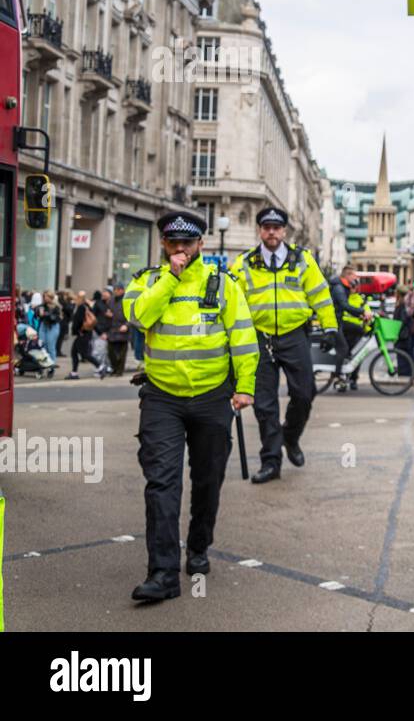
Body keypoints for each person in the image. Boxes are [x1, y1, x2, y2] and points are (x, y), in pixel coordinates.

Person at [125, 210, 258, 602]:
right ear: (163, 244)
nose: (180, 249)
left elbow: (244, 339)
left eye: (187, 242)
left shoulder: (224, 284)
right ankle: (163, 574)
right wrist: (171, 277)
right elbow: (137, 316)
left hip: (213, 397)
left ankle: (198, 546)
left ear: (201, 243)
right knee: (162, 482)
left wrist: (246, 387)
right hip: (162, 397)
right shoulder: (147, 281)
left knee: (207, 479)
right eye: (172, 242)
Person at [228, 206, 340, 484]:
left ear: (284, 231)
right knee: (265, 405)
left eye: (276, 227)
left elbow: (320, 294)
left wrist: (330, 327)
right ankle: (271, 461)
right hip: (259, 338)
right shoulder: (243, 263)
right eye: (266, 227)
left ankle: (290, 436)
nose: (271, 232)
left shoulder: (302, 260)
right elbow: (231, 303)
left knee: (304, 393)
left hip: (294, 335)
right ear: (260, 231)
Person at [330, 265, 373, 358]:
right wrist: (362, 312)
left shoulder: (342, 287)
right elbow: (344, 305)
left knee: (358, 331)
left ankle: (346, 362)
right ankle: (337, 372)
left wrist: (360, 315)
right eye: (354, 275)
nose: (355, 278)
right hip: (334, 322)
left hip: (339, 321)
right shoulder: (339, 288)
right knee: (343, 349)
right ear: (348, 275)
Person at [65, 291, 100, 380]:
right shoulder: (86, 306)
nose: (76, 299)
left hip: (82, 333)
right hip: (85, 333)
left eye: (77, 298)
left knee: (84, 354)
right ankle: (74, 372)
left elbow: (78, 321)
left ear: (80, 299)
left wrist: (75, 330)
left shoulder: (81, 307)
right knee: (74, 352)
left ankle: (100, 366)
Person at [106, 283, 131, 376]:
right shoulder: (111, 300)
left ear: (122, 290)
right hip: (112, 329)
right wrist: (108, 314)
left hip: (123, 329)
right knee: (110, 351)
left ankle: (119, 371)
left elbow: (131, 316)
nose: (115, 291)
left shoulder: (127, 300)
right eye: (114, 290)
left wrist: (127, 325)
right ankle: (114, 368)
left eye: (117, 290)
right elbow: (107, 310)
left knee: (122, 353)